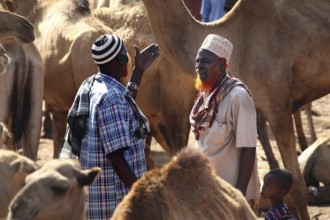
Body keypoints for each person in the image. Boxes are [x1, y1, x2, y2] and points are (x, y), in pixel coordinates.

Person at [62, 34, 159, 219]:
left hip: (96, 199)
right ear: (122, 59)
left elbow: (122, 106)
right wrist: (142, 196)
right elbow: (117, 159)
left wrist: (138, 71)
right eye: (125, 55)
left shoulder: (92, 85)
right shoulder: (111, 100)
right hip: (114, 203)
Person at [189, 34, 260, 209]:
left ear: (221, 63)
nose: (198, 66)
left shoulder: (238, 97)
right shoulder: (205, 94)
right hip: (209, 192)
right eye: (197, 61)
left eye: (204, 61)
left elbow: (249, 148)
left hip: (231, 196)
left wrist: (239, 197)